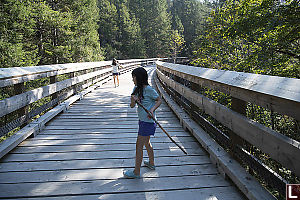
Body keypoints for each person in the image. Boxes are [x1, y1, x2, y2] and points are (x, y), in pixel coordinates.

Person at [123, 67, 162, 179]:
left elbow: (159, 100)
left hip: (148, 121)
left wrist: (152, 110)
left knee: (139, 145)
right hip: (142, 121)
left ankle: (136, 172)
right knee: (146, 142)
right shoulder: (136, 88)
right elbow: (131, 106)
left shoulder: (149, 89)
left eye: (134, 77)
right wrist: (133, 100)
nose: (132, 79)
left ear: (139, 78)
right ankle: (151, 163)